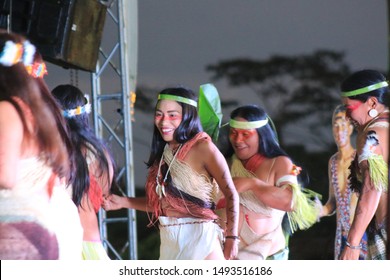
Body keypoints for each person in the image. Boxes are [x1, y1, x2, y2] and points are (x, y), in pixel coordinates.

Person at [103, 86, 239, 260]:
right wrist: (123, 202)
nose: (163, 122)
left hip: (201, 238)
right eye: (159, 114)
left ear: (188, 116)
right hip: (169, 239)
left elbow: (231, 194)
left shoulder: (204, 148)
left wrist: (232, 238)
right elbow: (164, 204)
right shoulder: (165, 153)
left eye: (172, 115)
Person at [0, 30, 71, 259]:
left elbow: (5, 177)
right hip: (40, 227)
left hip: (14, 233)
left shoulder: (8, 110)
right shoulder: (38, 112)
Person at [218, 104, 319, 260]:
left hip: (270, 256)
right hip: (228, 254)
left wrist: (253, 184)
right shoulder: (223, 164)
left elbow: (290, 202)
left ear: (261, 135)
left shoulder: (280, 163)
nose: (237, 140)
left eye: (246, 134)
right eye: (233, 133)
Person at [52, 84, 115, 260]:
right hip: (91, 243)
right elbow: (104, 192)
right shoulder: (99, 152)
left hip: (60, 242)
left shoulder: (51, 151)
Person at [339, 69, 388, 260]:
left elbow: (373, 185)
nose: (345, 114)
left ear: (372, 102)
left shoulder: (372, 135)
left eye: (349, 108)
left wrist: (352, 242)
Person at [318, 104, 367, 259]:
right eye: (335, 126)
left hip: (362, 237)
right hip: (342, 238)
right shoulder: (333, 162)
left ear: (351, 128)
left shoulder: (361, 158)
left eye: (343, 125)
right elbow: (333, 202)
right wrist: (319, 211)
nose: (339, 131)